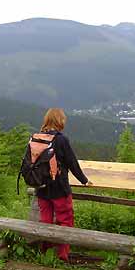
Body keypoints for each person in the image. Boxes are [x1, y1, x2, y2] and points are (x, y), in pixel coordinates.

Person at [36, 108, 92, 261]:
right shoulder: (61, 140)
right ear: (60, 121)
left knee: (45, 220)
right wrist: (84, 180)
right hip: (59, 188)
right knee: (65, 220)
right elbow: (72, 163)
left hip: (41, 188)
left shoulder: (37, 138)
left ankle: (45, 252)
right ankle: (62, 254)